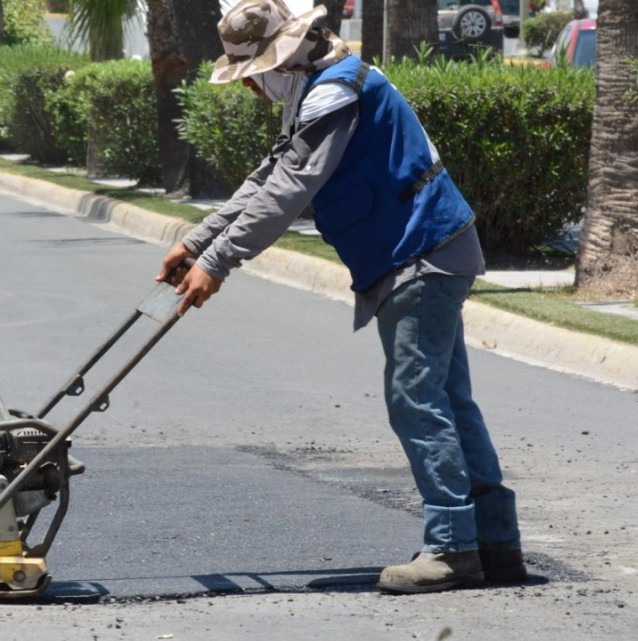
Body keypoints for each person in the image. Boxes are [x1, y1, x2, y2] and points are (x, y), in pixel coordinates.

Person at [155, 0, 525, 594]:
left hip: (421, 252)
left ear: (282, 60)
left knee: (416, 399)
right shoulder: (319, 85)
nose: (250, 86)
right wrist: (198, 242)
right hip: (427, 251)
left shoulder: (333, 92)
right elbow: (270, 175)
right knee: (447, 399)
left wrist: (218, 262)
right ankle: (494, 544)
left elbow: (290, 190)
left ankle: (455, 548)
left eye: (253, 73)